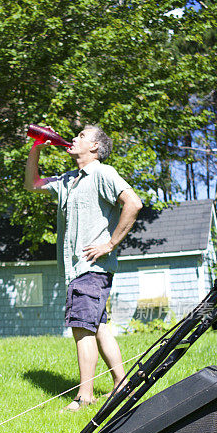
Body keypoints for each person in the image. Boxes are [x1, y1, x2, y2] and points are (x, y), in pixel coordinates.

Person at [25, 125, 142, 410]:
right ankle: (122, 385)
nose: (74, 138)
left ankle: (84, 396)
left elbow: (133, 203)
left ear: (95, 148)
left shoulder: (103, 173)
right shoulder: (70, 180)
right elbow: (32, 184)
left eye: (81, 136)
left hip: (91, 267)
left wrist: (110, 244)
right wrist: (36, 147)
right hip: (78, 268)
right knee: (99, 326)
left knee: (82, 328)